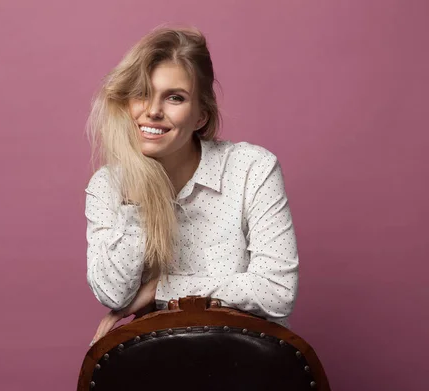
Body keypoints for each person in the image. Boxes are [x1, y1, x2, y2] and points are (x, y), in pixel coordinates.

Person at [84, 25, 299, 346]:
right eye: (142, 93)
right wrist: (136, 197)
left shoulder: (251, 167)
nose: (153, 111)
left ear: (200, 115)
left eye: (174, 97)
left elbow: (278, 293)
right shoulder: (108, 185)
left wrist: (163, 289)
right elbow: (114, 295)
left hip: (243, 363)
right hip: (156, 363)